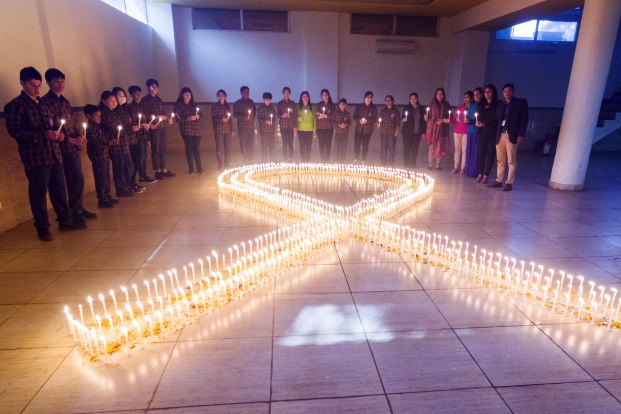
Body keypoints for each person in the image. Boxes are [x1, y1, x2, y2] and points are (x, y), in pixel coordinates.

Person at [4, 67, 85, 241]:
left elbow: (53, 125)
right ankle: (42, 227)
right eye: (33, 85)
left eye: (38, 85)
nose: (37, 89)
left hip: (54, 153)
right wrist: (43, 135)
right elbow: (16, 132)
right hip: (36, 157)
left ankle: (65, 220)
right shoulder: (15, 105)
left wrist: (59, 134)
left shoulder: (43, 104)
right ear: (22, 83)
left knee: (59, 190)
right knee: (38, 193)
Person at [40, 68, 96, 223]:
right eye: (56, 81)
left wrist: (79, 136)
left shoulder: (65, 101)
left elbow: (71, 122)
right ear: (48, 82)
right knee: (60, 184)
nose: (60, 84)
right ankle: (66, 214)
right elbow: (53, 130)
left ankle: (77, 208)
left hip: (72, 147)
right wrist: (71, 140)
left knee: (77, 178)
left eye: (62, 81)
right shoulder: (45, 103)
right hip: (58, 149)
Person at [488, 83, 528, 191]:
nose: (507, 93)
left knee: (511, 160)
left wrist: (521, 134)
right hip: (500, 134)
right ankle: (499, 180)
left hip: (512, 135)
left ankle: (509, 182)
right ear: (502, 93)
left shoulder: (520, 103)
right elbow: (496, 120)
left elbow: (524, 120)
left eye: (509, 91)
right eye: (505, 91)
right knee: (500, 160)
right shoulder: (501, 105)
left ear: (513, 92)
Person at [100, 90, 133, 197]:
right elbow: (114, 128)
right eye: (111, 100)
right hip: (115, 145)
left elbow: (123, 126)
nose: (114, 102)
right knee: (119, 168)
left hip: (123, 144)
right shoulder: (105, 114)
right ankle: (121, 189)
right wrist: (129, 130)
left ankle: (126, 186)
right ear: (104, 101)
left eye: (115, 100)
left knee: (129, 166)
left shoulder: (115, 112)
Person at [142, 78, 175, 180]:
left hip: (162, 127)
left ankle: (163, 169)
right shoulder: (145, 100)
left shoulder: (159, 100)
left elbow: (164, 114)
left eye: (156, 87)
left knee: (162, 149)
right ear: (148, 88)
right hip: (154, 128)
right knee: (155, 149)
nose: (154, 89)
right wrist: (157, 117)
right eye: (152, 87)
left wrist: (168, 119)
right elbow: (145, 114)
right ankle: (157, 171)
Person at [112, 87, 142, 193]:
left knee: (135, 161)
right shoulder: (114, 112)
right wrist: (130, 128)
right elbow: (120, 126)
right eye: (119, 96)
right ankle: (127, 185)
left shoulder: (124, 109)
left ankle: (131, 183)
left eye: (123, 95)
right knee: (125, 166)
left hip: (132, 138)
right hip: (124, 141)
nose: (122, 98)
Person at [84, 104, 114, 208]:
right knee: (101, 178)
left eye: (100, 115)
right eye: (96, 115)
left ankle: (107, 195)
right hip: (98, 157)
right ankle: (102, 199)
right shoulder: (91, 129)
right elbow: (96, 144)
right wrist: (110, 143)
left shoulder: (98, 127)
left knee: (106, 176)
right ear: (88, 116)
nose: (99, 117)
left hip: (104, 155)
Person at [127, 85, 156, 184]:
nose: (138, 95)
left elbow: (146, 120)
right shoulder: (129, 107)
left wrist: (148, 129)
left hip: (144, 135)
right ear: (131, 95)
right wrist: (140, 125)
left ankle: (144, 175)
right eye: (135, 93)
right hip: (136, 136)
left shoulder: (143, 107)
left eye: (139, 93)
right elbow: (130, 123)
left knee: (145, 156)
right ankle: (142, 176)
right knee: (140, 157)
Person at [174, 87, 203, 173]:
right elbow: (178, 119)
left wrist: (198, 117)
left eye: (189, 94)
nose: (188, 96)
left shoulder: (194, 105)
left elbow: (201, 117)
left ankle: (199, 168)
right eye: (186, 94)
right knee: (189, 149)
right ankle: (191, 168)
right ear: (182, 95)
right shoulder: (179, 106)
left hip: (196, 130)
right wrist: (189, 118)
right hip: (186, 130)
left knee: (196, 149)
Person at [475, 84, 499, 184]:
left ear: (493, 92)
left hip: (492, 132)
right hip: (482, 132)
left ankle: (486, 175)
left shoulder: (497, 104)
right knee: (481, 153)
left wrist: (485, 123)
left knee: (490, 153)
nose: (487, 94)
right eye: (485, 92)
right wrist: (478, 121)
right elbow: (479, 115)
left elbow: (496, 118)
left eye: (489, 92)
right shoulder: (481, 104)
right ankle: (480, 173)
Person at [424, 88, 450, 170]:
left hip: (442, 128)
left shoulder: (446, 104)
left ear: (443, 95)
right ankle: (430, 164)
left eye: (441, 94)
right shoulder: (431, 104)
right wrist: (426, 117)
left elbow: (449, 115)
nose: (440, 95)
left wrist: (442, 120)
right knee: (432, 146)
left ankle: (437, 164)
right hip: (433, 128)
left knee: (439, 146)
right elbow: (428, 116)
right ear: (435, 95)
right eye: (438, 94)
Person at [401, 92, 426, 168]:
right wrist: (403, 119)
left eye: (414, 98)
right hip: (407, 132)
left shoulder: (421, 109)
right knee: (407, 147)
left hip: (417, 132)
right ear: (409, 99)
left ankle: (413, 163)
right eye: (411, 99)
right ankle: (406, 163)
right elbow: (402, 117)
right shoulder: (406, 108)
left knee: (415, 148)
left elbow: (424, 121)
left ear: (417, 99)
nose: (413, 100)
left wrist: (424, 132)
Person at [353, 91, 378, 164]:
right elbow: (354, 116)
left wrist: (368, 121)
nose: (368, 99)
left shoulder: (373, 108)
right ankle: (356, 158)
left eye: (370, 97)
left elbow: (375, 118)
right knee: (357, 144)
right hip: (359, 129)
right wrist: (359, 120)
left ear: (371, 99)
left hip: (368, 130)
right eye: (367, 97)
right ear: (364, 98)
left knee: (365, 145)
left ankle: (363, 159)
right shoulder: (359, 106)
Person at [233, 86, 256, 163]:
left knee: (250, 143)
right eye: (244, 92)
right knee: (243, 143)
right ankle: (245, 159)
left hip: (251, 126)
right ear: (241, 93)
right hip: (242, 126)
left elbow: (254, 112)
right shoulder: (237, 103)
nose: (246, 94)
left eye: (247, 92)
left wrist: (251, 118)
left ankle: (251, 159)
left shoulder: (251, 102)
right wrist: (244, 117)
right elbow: (235, 114)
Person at [451, 91, 472, 175]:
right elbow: (454, 118)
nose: (465, 99)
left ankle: (463, 168)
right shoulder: (460, 107)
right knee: (457, 150)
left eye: (467, 97)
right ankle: (455, 167)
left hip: (466, 132)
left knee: (465, 150)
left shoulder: (472, 108)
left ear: (471, 98)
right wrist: (456, 119)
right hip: (457, 131)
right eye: (464, 97)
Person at [211, 89, 232, 169]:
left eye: (223, 95)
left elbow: (229, 119)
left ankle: (227, 165)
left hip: (227, 130)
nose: (221, 97)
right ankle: (220, 165)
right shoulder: (215, 106)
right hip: (219, 130)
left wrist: (232, 130)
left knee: (227, 149)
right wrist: (221, 119)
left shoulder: (227, 106)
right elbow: (213, 119)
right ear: (218, 96)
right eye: (220, 95)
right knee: (219, 149)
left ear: (225, 96)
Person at [378, 95, 401, 166]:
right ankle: (383, 162)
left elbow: (398, 122)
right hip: (383, 132)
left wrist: (397, 130)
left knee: (391, 148)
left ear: (392, 101)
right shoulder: (383, 111)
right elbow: (379, 120)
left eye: (389, 100)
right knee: (383, 147)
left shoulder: (396, 111)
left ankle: (391, 163)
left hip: (392, 132)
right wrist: (379, 124)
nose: (388, 102)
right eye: (386, 100)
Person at [465, 87, 482, 177]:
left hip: (476, 131)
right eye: (474, 94)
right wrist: (466, 120)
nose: (476, 96)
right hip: (470, 130)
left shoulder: (481, 105)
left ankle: (474, 171)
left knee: (475, 151)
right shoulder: (472, 105)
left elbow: (478, 119)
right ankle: (468, 170)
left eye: (477, 94)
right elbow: (469, 117)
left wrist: (470, 121)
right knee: (469, 150)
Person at [277, 86, 297, 162]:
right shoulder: (279, 103)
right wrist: (283, 115)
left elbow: (295, 115)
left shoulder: (292, 103)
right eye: (285, 93)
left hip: (291, 126)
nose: (286, 94)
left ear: (289, 94)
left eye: (288, 93)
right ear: (283, 93)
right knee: (285, 143)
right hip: (283, 126)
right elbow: (278, 114)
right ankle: (285, 158)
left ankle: (290, 158)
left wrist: (295, 126)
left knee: (290, 143)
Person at [315, 89, 335, 162]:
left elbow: (333, 116)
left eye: (326, 95)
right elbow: (316, 114)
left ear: (328, 96)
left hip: (329, 128)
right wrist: (319, 116)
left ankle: (327, 160)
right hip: (320, 128)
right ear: (321, 96)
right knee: (321, 144)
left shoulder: (332, 105)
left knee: (328, 144)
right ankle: (322, 160)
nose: (325, 96)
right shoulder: (319, 104)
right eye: (323, 95)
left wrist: (326, 116)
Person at [257, 92, 277, 161]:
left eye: (269, 100)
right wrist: (266, 121)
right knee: (264, 146)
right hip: (263, 131)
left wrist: (272, 121)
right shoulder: (260, 108)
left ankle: (272, 161)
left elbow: (274, 118)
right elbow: (259, 118)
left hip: (271, 130)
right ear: (263, 99)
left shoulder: (272, 108)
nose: (268, 101)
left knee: (272, 146)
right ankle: (264, 161)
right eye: (266, 100)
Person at [296, 91, 315, 162]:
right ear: (301, 98)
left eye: (306, 97)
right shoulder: (299, 107)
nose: (305, 98)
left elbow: (314, 118)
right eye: (304, 97)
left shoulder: (311, 107)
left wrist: (314, 128)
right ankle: (303, 160)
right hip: (301, 129)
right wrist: (301, 118)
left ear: (308, 98)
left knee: (309, 145)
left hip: (310, 129)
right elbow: (297, 118)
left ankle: (307, 160)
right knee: (302, 145)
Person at [333, 98, 351, 162]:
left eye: (343, 104)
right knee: (336, 147)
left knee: (343, 148)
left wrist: (345, 124)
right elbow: (333, 122)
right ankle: (335, 160)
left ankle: (342, 161)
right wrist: (339, 124)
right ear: (339, 105)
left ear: (346, 105)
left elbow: (349, 123)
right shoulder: (336, 113)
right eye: (341, 104)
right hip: (338, 133)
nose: (342, 105)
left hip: (345, 133)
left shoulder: (347, 114)